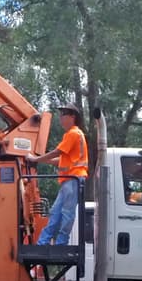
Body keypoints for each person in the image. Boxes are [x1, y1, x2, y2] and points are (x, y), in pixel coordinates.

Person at [36, 104, 90, 245]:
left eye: (63, 115)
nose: (60, 118)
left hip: (74, 178)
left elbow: (56, 152)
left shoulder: (74, 134)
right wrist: (43, 162)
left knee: (66, 212)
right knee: (55, 211)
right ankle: (43, 242)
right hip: (69, 180)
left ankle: (61, 242)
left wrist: (36, 159)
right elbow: (61, 160)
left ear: (72, 117)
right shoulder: (72, 134)